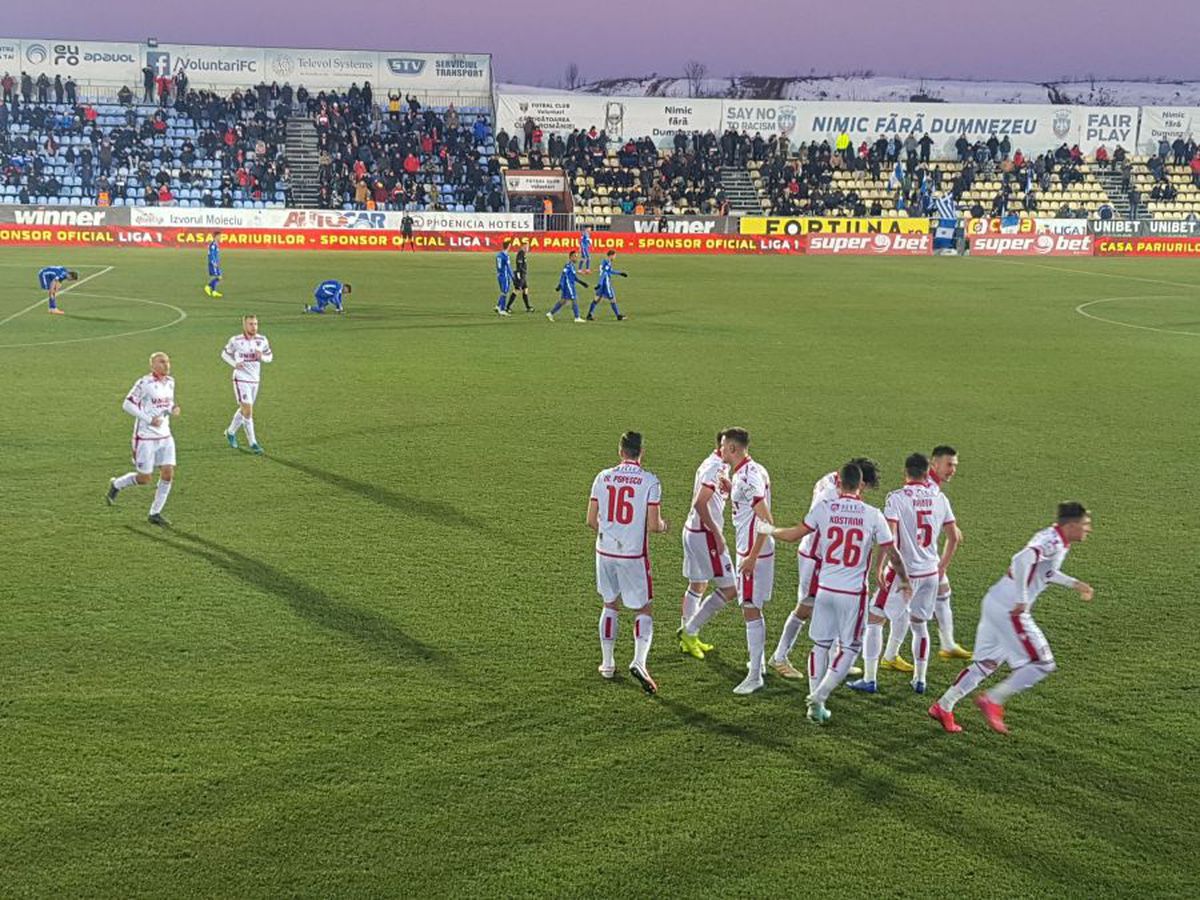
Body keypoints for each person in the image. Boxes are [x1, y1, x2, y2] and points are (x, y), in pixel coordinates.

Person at [761, 462, 910, 724]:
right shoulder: (872, 514)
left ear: (840, 481)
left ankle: (814, 705)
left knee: (820, 645)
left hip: (826, 585)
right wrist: (903, 579)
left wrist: (768, 529)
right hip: (853, 592)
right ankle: (820, 694)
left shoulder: (825, 506)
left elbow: (794, 534)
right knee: (852, 646)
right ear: (861, 484)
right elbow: (893, 551)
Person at [928, 503, 1094, 735]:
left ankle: (943, 706)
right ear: (1072, 525)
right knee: (1042, 664)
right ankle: (992, 700)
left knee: (985, 664)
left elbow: (1045, 571)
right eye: (1086, 524)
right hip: (1010, 609)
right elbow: (1021, 559)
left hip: (996, 601)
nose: (1089, 529)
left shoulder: (1055, 539)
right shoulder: (1052, 541)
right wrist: (1022, 598)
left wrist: (1075, 584)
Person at [850, 453, 958, 695]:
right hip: (930, 573)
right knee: (920, 625)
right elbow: (954, 537)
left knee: (875, 618)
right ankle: (920, 680)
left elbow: (888, 538)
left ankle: (869, 678)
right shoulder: (940, 499)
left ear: (905, 472)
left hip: (904, 574)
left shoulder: (897, 498)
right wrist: (942, 567)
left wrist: (879, 567)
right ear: (926, 471)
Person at [768, 458, 880, 678]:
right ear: (861, 482)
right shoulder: (831, 495)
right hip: (816, 557)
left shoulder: (832, 479)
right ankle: (779, 657)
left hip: (824, 556)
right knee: (806, 607)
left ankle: (835, 660)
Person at [587, 431, 669, 694]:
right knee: (644, 608)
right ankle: (639, 661)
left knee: (610, 603)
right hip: (633, 555)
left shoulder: (603, 477)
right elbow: (654, 525)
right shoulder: (650, 482)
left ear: (620, 451)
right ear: (641, 452)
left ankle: (607, 663)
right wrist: (665, 526)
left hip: (604, 551)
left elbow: (591, 519)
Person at [713, 429, 776, 695]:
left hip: (753, 551)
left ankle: (754, 676)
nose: (721, 450)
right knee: (753, 607)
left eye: (724, 447)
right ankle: (758, 664)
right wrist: (731, 488)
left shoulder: (748, 478)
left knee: (750, 609)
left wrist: (751, 557)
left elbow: (766, 519)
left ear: (734, 449)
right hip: (754, 550)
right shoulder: (752, 471)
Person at [676, 432, 736, 659]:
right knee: (731, 588)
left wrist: (731, 490)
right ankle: (689, 632)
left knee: (697, 584)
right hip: (704, 535)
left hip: (693, 531)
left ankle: (687, 638)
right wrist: (717, 532)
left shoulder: (718, 465)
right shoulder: (715, 468)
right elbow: (700, 503)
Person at [105, 352, 180, 526]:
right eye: (162, 362)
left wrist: (173, 407)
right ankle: (117, 484)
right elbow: (127, 404)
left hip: (165, 436)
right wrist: (149, 419)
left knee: (168, 474)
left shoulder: (171, 382)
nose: (166, 365)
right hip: (145, 437)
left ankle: (155, 513)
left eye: (168, 361)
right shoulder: (144, 383)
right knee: (145, 478)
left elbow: (167, 403)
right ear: (152, 365)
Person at [221, 315, 273, 455]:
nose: (254, 327)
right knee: (248, 410)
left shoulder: (262, 340)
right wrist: (235, 364)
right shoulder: (236, 340)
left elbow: (270, 356)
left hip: (255, 379)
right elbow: (224, 354)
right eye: (251, 324)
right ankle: (253, 443)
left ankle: (230, 432)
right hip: (241, 379)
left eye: (256, 324)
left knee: (244, 409)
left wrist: (261, 357)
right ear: (244, 325)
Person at [546, 251, 588, 323]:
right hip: (568, 286)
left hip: (569, 285)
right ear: (571, 257)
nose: (576, 258)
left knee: (563, 301)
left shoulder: (572, 266)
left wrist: (582, 283)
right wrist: (560, 285)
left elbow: (574, 277)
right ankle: (577, 317)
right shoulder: (568, 266)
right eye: (575, 256)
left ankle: (550, 313)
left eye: (577, 256)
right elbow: (563, 275)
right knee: (574, 299)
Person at [586, 250, 628, 321]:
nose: (615, 257)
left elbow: (609, 271)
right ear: (611, 255)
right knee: (612, 299)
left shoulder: (604, 261)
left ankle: (589, 314)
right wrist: (600, 283)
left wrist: (620, 273)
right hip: (605, 283)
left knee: (597, 299)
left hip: (602, 283)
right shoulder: (607, 262)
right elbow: (604, 274)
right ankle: (618, 316)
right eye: (614, 255)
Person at [504, 239, 533, 313]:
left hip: (523, 275)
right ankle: (507, 307)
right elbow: (519, 266)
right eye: (526, 246)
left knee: (525, 289)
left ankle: (528, 307)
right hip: (520, 275)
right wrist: (519, 276)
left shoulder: (523, 253)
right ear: (523, 246)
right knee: (517, 290)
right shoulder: (521, 253)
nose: (528, 248)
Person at [494, 238, 515, 317]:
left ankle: (498, 306)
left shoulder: (498, 255)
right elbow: (508, 267)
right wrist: (513, 277)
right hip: (505, 276)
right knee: (505, 292)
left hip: (499, 275)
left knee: (503, 291)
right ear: (508, 246)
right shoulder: (506, 256)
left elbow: (498, 266)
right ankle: (502, 310)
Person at [204, 231, 223, 297]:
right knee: (218, 276)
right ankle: (208, 287)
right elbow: (211, 254)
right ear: (216, 236)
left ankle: (213, 291)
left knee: (218, 276)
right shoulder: (213, 245)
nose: (220, 237)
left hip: (215, 263)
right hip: (213, 263)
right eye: (219, 236)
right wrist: (213, 262)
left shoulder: (215, 244)